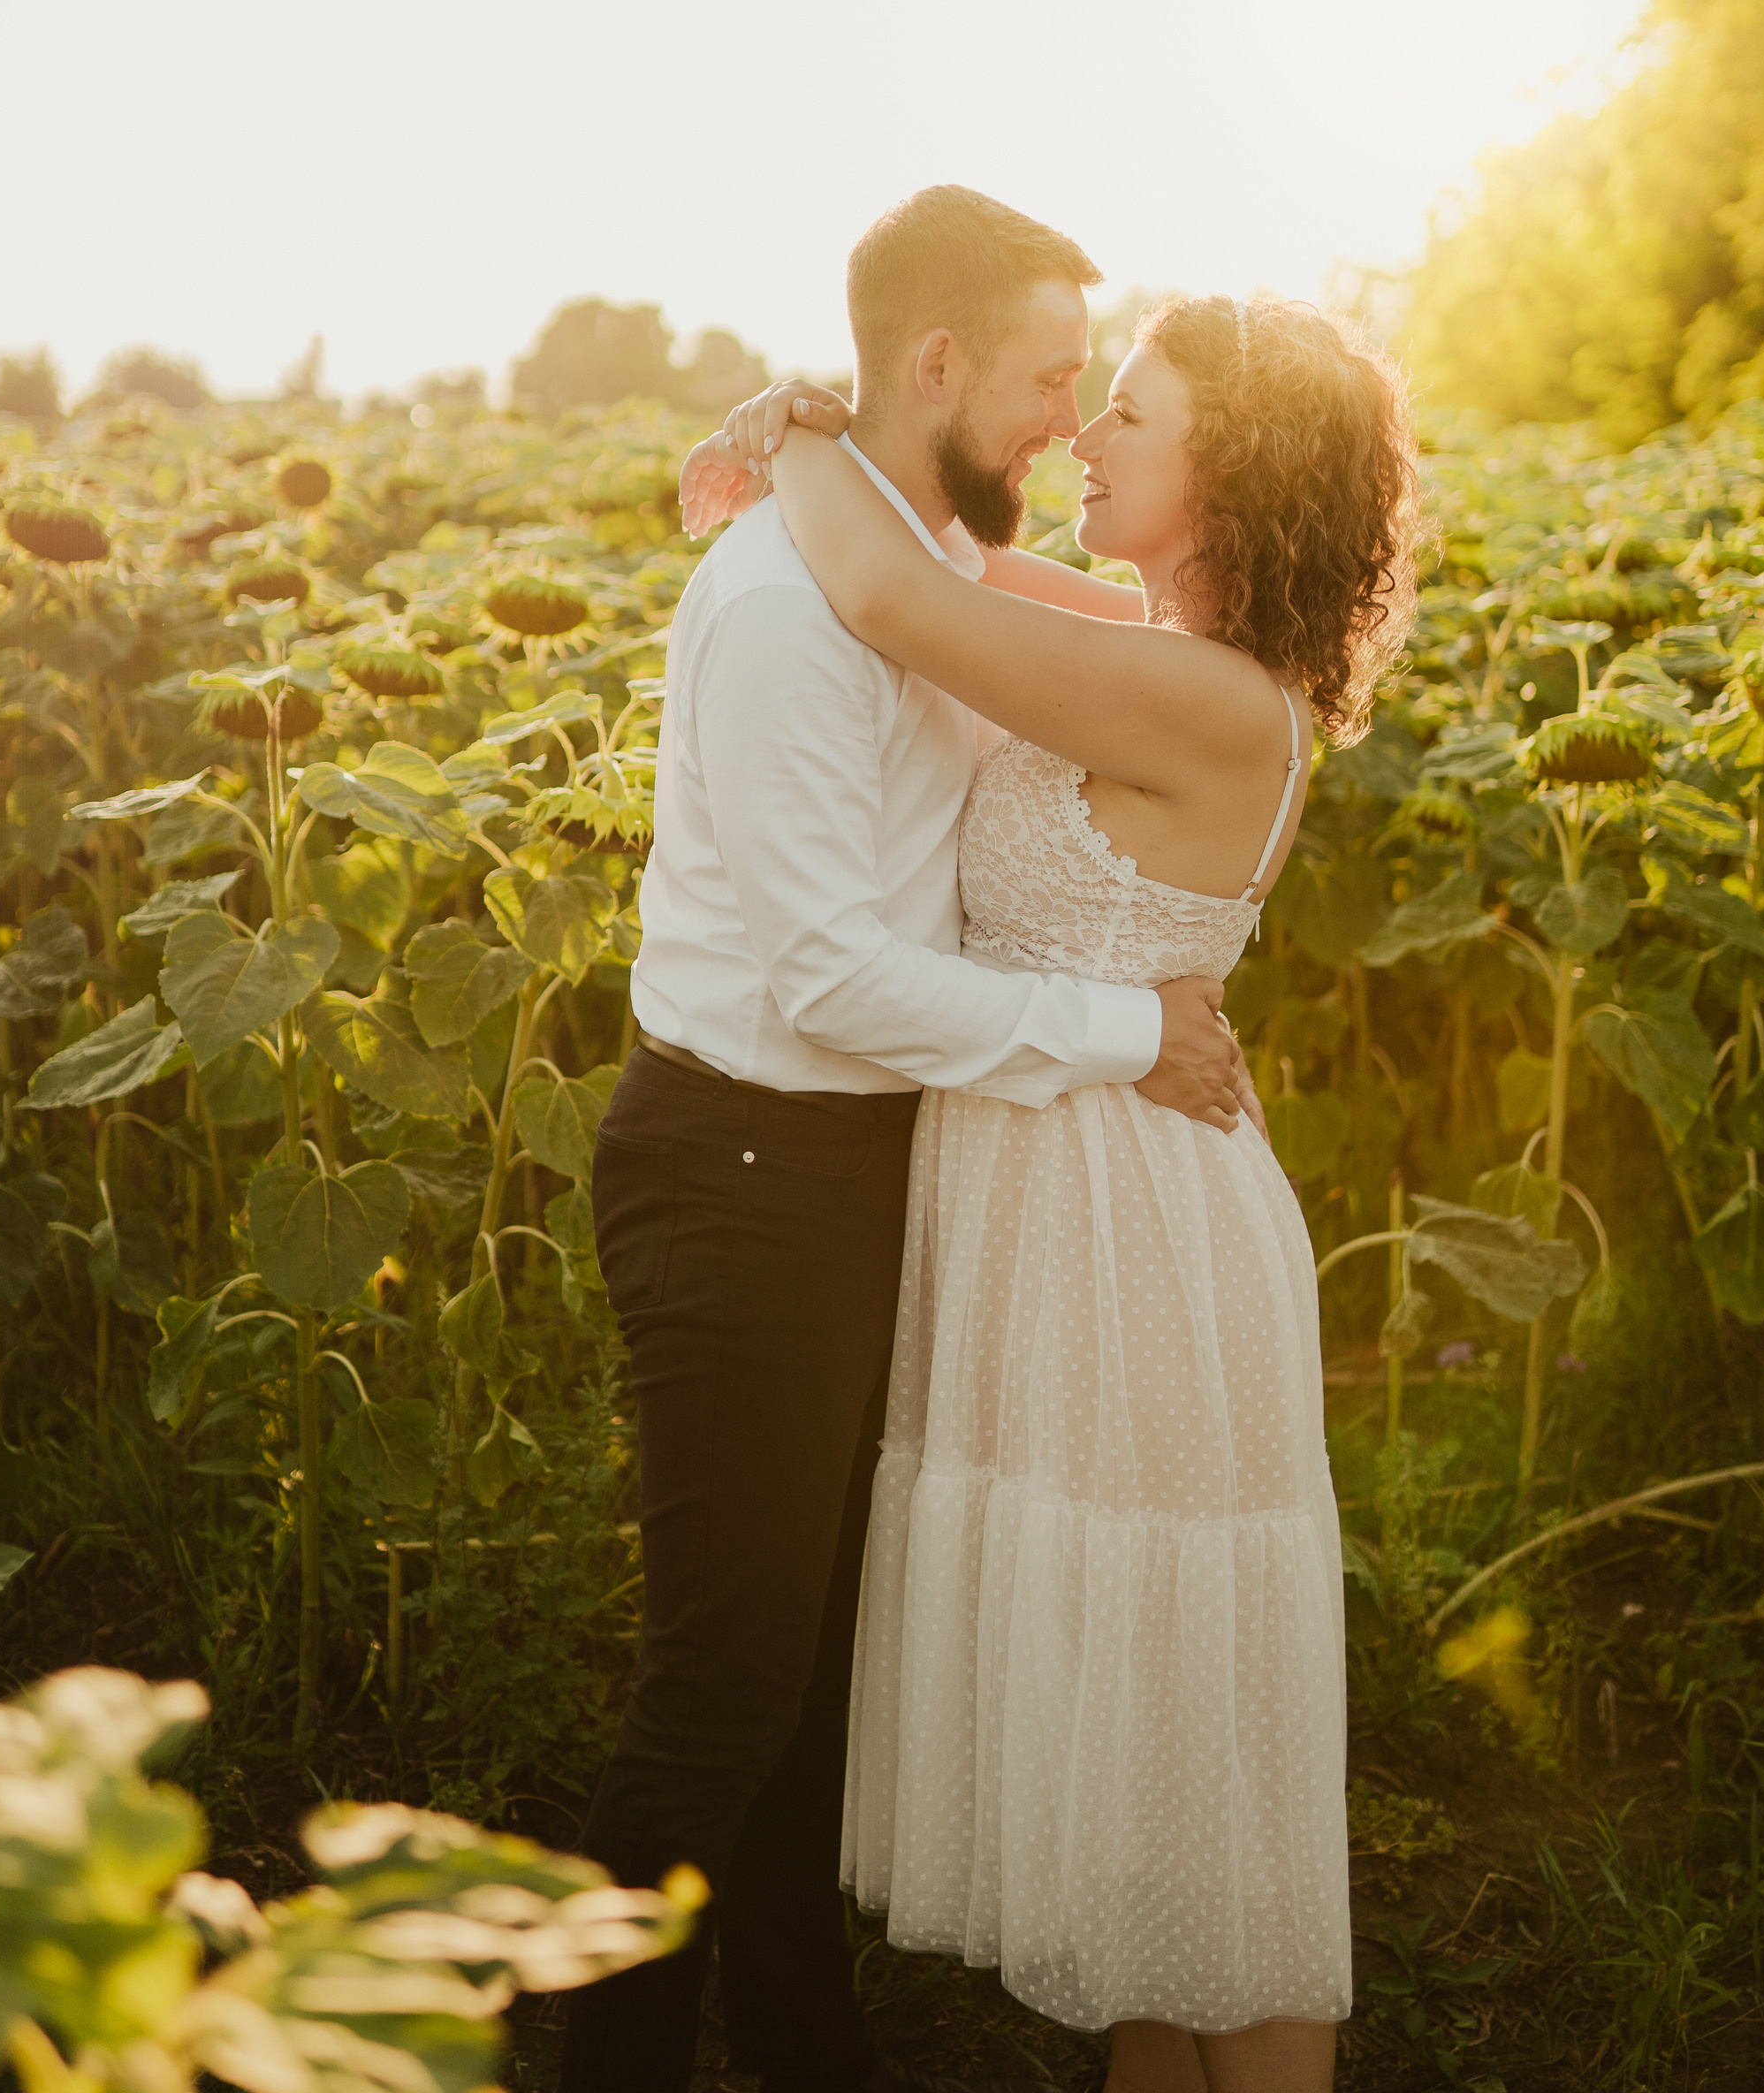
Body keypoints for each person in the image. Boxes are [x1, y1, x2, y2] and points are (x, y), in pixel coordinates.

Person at [562, 188, 1257, 2093]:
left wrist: (798, 422)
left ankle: (802, 2046)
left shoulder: (911, 541)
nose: (1064, 417)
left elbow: (974, 599)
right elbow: (832, 974)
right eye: (1048, 377)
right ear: (938, 363)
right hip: (746, 1160)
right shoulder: (793, 603)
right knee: (721, 1691)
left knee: (807, 1689)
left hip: (859, 1170)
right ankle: (587, 2059)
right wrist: (1132, 1031)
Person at [710, 289, 1419, 2093]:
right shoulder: (1137, 631)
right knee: (1141, 1804)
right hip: (1056, 1206)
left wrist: (795, 429)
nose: (1085, 441)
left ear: (1235, 475)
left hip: (1135, 1231)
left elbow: (896, 596)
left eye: (1131, 416)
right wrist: (831, 430)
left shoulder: (1200, 691)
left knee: (1207, 1804)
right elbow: (934, 554)